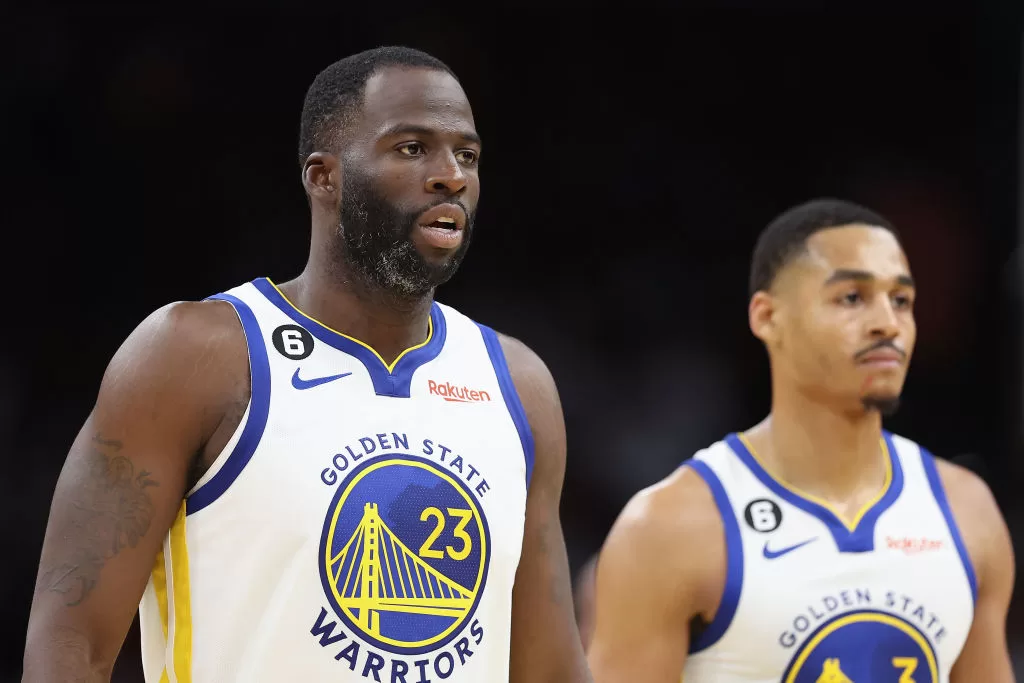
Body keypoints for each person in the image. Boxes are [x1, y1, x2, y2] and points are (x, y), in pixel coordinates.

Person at [23, 46, 590, 683]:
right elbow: (71, 643)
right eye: (411, 148)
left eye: (467, 155)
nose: (450, 176)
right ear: (323, 177)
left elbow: (549, 669)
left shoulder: (518, 385)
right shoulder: (195, 356)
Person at [587, 199, 1015, 682]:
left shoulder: (966, 511)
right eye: (852, 297)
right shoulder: (670, 527)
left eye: (902, 301)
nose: (887, 323)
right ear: (767, 317)